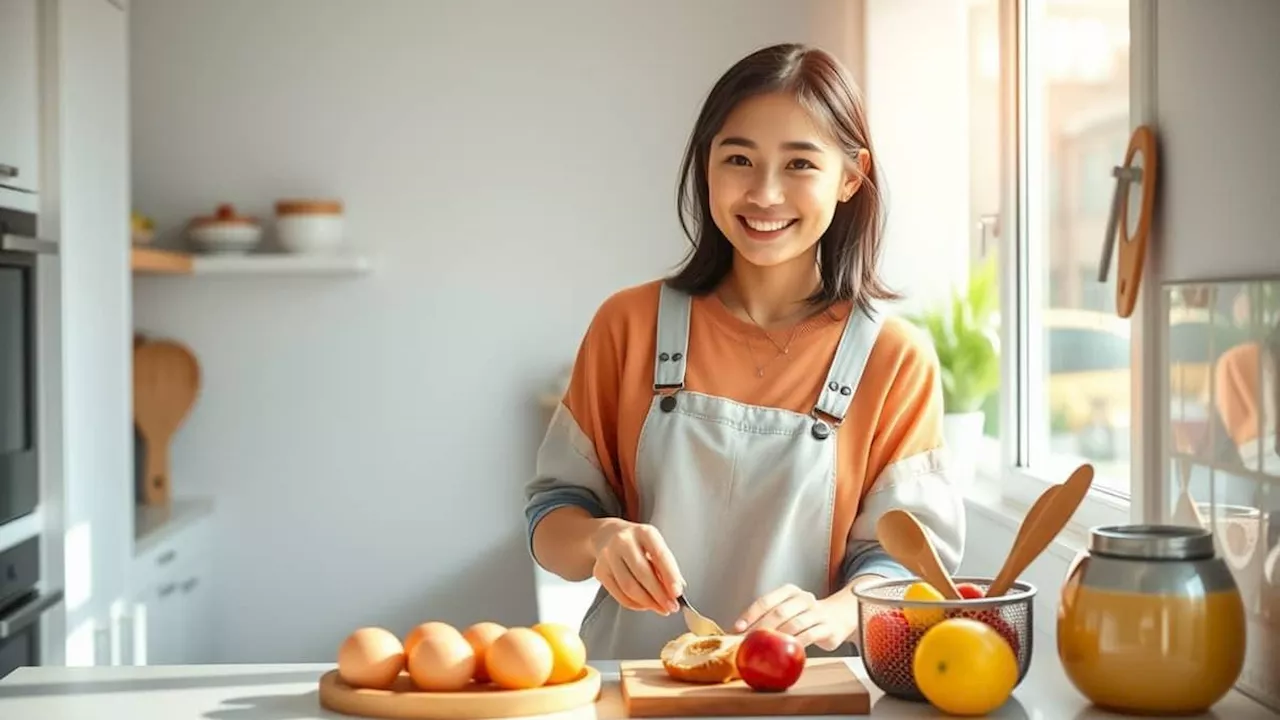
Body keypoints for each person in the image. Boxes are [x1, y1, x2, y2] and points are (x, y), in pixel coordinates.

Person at [523, 42, 965, 661]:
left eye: (799, 165)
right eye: (739, 159)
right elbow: (551, 519)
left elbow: (907, 569)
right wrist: (600, 540)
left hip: (809, 695)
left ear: (850, 177)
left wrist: (837, 612)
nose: (763, 193)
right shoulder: (627, 324)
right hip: (635, 691)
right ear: (707, 166)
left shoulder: (894, 359)